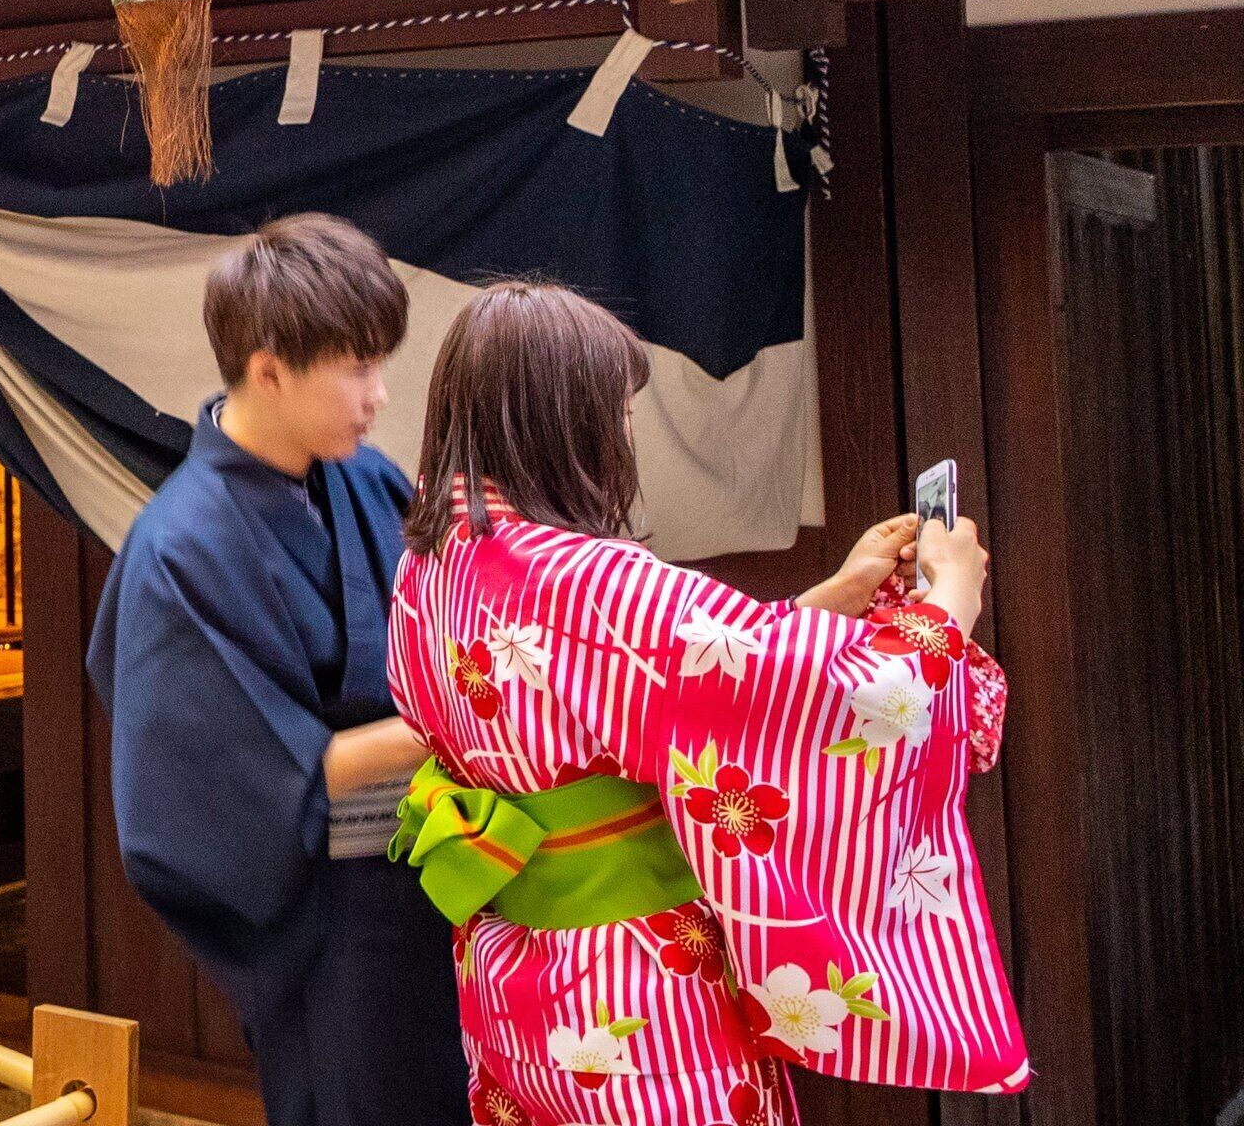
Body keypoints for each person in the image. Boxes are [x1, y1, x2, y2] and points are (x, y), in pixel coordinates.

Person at [386, 282, 1028, 1125]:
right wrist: (950, 604)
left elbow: (667, 690)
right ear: (567, 422)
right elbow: (845, 698)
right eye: (618, 413)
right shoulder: (586, 580)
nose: (624, 436)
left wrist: (836, 596)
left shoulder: (434, 563)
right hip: (633, 989)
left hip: (515, 983)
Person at [87, 214, 467, 1126]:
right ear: (269, 371)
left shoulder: (367, 478)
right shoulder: (179, 547)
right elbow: (259, 777)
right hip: (326, 920)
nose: (379, 395)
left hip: (441, 874)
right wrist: (464, 715)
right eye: (358, 369)